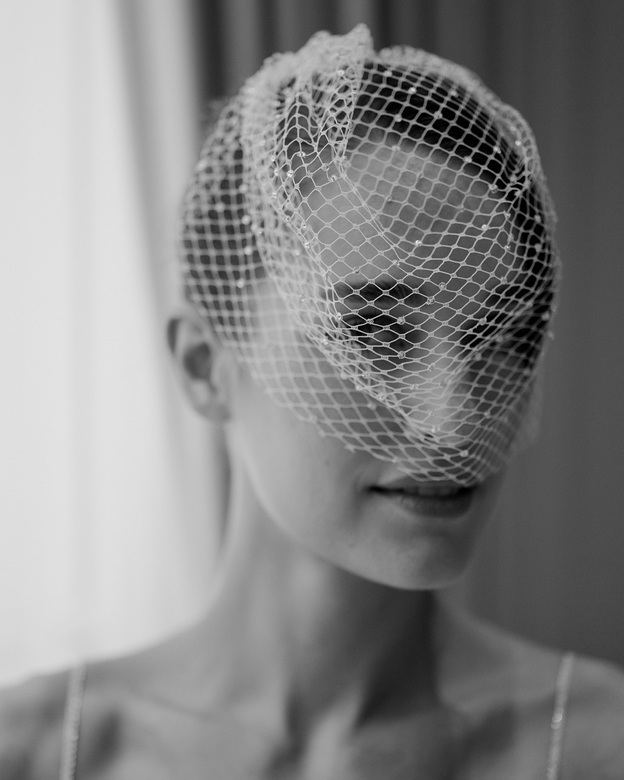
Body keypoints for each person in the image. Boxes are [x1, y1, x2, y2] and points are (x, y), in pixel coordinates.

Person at [2, 25, 623, 779]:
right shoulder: (33, 752)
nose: (456, 423)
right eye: (376, 332)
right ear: (204, 366)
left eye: (504, 339)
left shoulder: (602, 748)